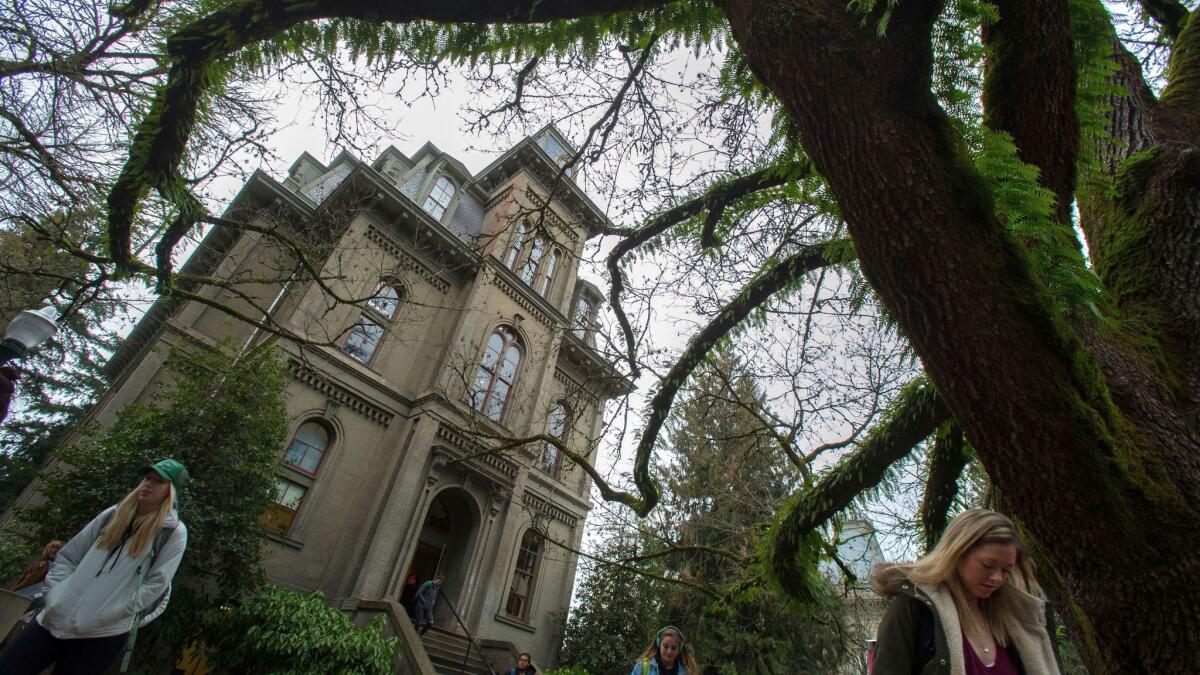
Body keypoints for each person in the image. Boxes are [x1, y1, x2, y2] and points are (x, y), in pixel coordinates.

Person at [0, 459, 189, 675]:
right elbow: (69, 556)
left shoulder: (173, 533)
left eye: (158, 481)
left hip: (101, 634)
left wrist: (114, 612)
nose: (148, 484)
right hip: (52, 619)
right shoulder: (112, 515)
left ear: (170, 491)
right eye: (147, 478)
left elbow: (157, 583)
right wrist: (55, 594)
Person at [870, 509, 1059, 675]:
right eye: (988, 565)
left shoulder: (1018, 618)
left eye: (1005, 570)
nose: (997, 578)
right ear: (957, 553)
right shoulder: (913, 609)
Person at [630, 625, 696, 675]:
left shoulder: (686, 672)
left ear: (679, 649)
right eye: (666, 646)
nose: (669, 651)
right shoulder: (642, 667)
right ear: (659, 645)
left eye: (673, 648)